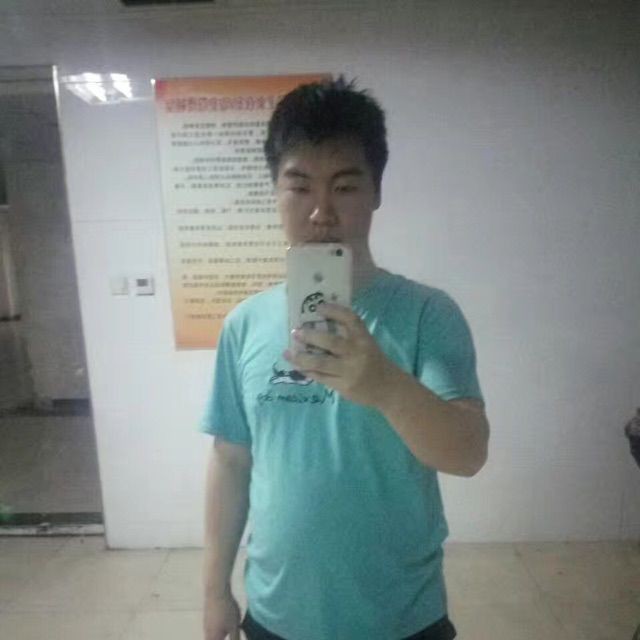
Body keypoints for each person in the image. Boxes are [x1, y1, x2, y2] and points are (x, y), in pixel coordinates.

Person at [201, 76, 490, 640]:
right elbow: (231, 462)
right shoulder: (245, 323)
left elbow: (468, 454)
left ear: (376, 191)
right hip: (276, 615)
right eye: (299, 186)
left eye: (345, 186)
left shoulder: (427, 314)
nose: (321, 212)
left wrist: (384, 385)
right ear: (276, 190)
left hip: (402, 620)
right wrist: (214, 592)